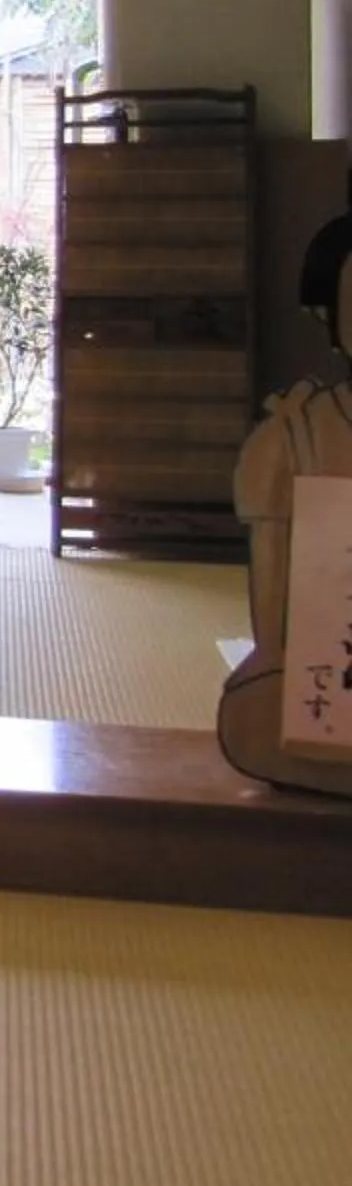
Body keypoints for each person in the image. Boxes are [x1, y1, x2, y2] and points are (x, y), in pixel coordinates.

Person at [222, 210, 352, 797]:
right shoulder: (291, 435)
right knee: (261, 714)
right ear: (327, 314)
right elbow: (273, 622)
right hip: (326, 668)